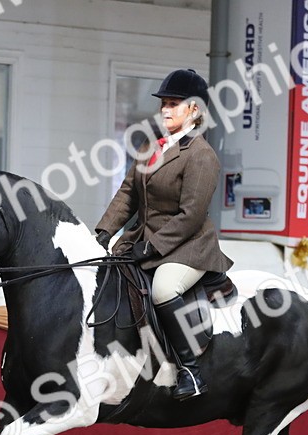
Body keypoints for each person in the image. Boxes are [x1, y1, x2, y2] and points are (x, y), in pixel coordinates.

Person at [95, 68, 233, 401]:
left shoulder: (202, 156)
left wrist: (151, 248)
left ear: (195, 111)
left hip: (188, 247)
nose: (166, 110)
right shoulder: (150, 147)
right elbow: (127, 193)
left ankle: (190, 370)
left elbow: (190, 217)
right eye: (164, 104)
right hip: (144, 239)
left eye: (174, 104)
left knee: (163, 289)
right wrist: (103, 232)